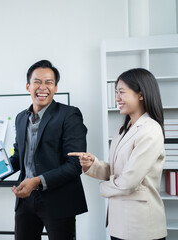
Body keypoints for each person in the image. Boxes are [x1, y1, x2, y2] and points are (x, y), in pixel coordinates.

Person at [69, 68, 167, 240]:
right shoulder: (123, 131)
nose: (117, 99)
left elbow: (129, 179)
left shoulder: (150, 129)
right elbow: (118, 171)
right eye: (116, 93)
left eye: (121, 92)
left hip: (141, 227)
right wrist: (93, 165)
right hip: (120, 224)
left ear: (141, 95)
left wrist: (102, 188)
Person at [9, 60, 88, 240]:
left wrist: (36, 181)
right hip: (25, 200)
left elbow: (75, 165)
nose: (42, 87)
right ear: (28, 86)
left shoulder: (69, 115)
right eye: (37, 82)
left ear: (56, 87)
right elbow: (16, 158)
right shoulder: (21, 118)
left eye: (48, 82)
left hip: (59, 200)